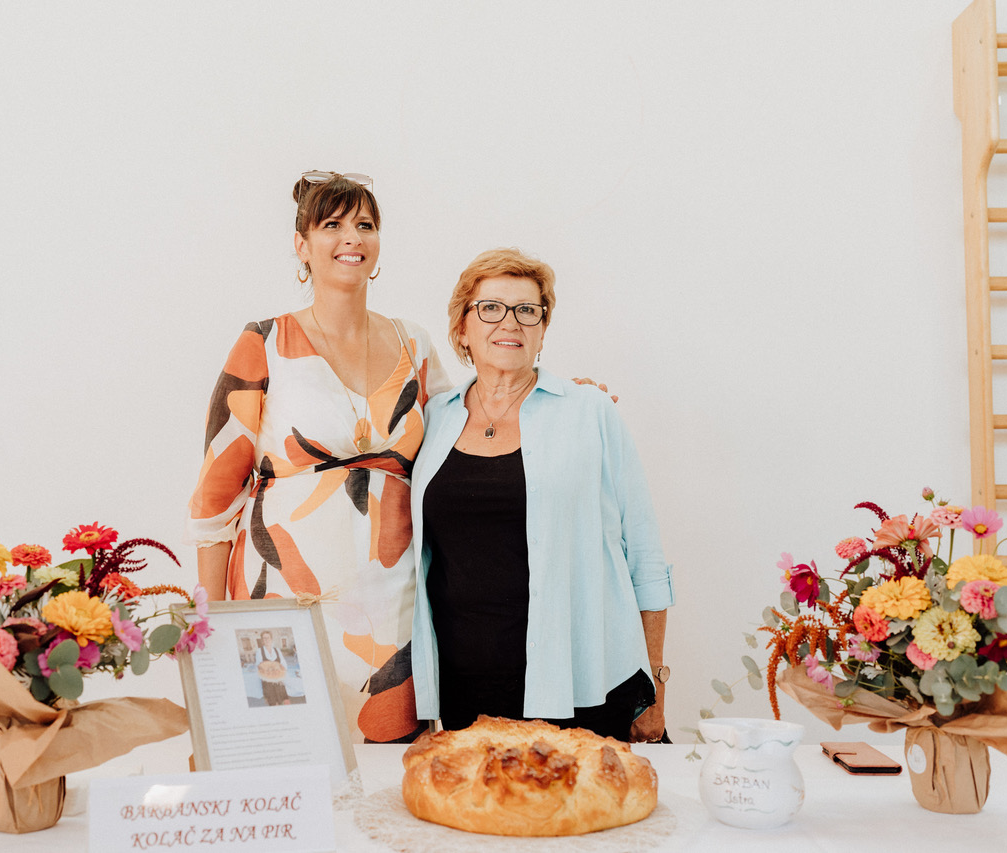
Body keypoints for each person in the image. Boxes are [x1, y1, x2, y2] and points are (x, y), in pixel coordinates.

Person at [187, 172, 451, 744]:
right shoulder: (263, 341)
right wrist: (210, 623)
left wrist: (551, 398)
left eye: (364, 224)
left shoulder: (416, 345)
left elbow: (469, 436)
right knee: (282, 757)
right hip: (278, 595)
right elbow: (215, 496)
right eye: (331, 225)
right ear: (303, 246)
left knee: (388, 770)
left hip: (393, 607)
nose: (350, 237)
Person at [410, 248, 674, 742]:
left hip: (584, 680)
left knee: (601, 816)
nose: (510, 321)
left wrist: (654, 681)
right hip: (465, 685)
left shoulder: (589, 411)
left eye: (527, 310)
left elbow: (644, 553)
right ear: (462, 327)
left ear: (542, 330)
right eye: (490, 307)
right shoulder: (432, 418)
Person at [255, 630, 289, 706]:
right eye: (264, 638)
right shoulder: (259, 651)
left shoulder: (277, 650)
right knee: (272, 702)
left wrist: (280, 669)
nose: (266, 640)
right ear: (262, 640)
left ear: (271, 639)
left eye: (268, 638)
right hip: (267, 681)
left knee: (283, 700)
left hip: (278, 680)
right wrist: (272, 667)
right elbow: (259, 665)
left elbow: (283, 663)